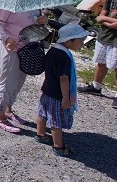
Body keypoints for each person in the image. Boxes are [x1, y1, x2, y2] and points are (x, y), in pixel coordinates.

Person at [0, 8, 49, 133]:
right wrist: (6, 38)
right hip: (10, 47)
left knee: (19, 81)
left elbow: (32, 26)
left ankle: (7, 110)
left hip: (27, 48)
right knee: (7, 81)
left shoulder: (35, 3)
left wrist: (42, 22)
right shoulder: (9, 3)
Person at [35, 24, 88, 156]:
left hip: (47, 90)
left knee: (42, 114)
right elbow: (64, 79)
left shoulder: (53, 50)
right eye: (80, 41)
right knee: (56, 121)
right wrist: (65, 97)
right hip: (58, 95)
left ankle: (40, 134)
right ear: (68, 41)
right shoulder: (64, 56)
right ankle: (58, 146)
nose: (82, 44)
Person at [78, 0, 117, 109]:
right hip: (105, 35)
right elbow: (100, 17)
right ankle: (96, 86)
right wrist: (113, 23)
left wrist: (108, 21)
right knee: (101, 62)